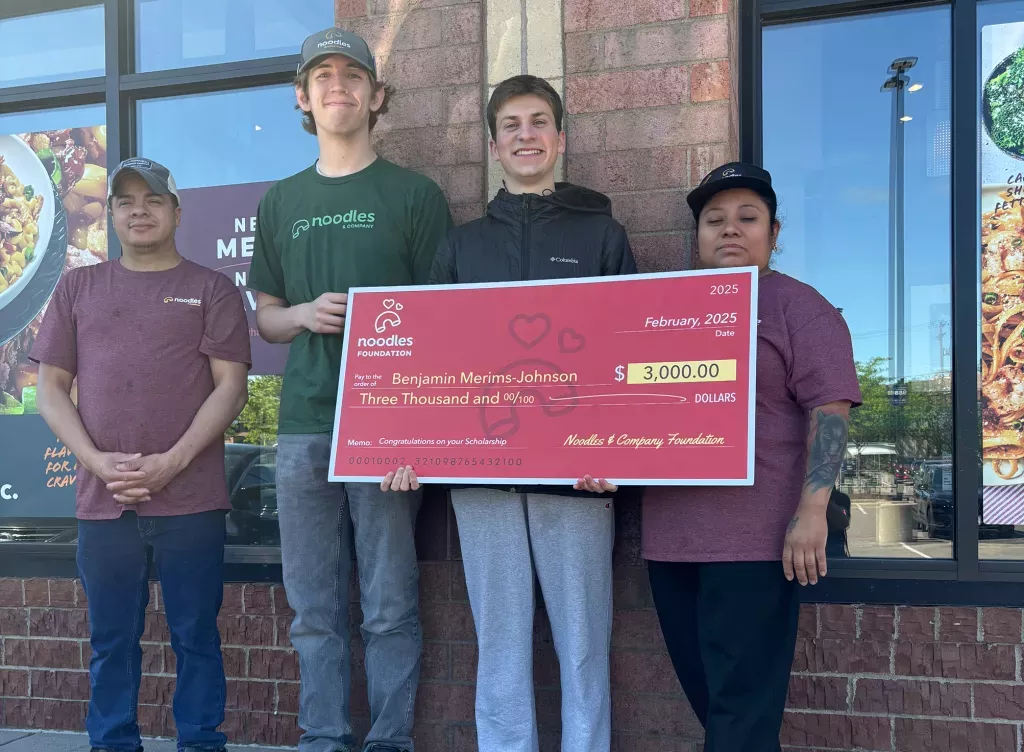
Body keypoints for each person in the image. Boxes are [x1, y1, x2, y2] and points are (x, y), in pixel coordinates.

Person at [383, 74, 636, 752]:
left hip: (580, 480)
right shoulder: (461, 247)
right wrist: (403, 447)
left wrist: (619, 456)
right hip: (483, 477)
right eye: (511, 125)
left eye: (538, 122)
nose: (526, 135)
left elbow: (625, 353)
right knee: (499, 643)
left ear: (560, 137)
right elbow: (427, 361)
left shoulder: (603, 235)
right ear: (494, 144)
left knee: (584, 643)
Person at [246, 27, 453, 752]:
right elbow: (266, 319)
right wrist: (300, 314)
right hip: (303, 427)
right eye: (323, 76)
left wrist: (417, 431)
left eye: (353, 75)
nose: (339, 86)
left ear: (375, 94)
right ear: (303, 98)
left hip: (387, 432)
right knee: (312, 609)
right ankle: (323, 738)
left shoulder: (415, 196)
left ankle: (390, 740)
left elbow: (444, 323)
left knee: (390, 604)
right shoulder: (281, 201)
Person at [31, 157, 251, 752]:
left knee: (197, 637)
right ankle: (112, 743)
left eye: (152, 200)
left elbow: (231, 387)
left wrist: (172, 462)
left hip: (192, 501)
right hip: (104, 502)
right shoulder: (77, 287)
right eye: (125, 201)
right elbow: (50, 391)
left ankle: (202, 743)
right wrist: (98, 463)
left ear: (177, 213)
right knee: (111, 640)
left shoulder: (212, 289)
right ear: (111, 217)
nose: (139, 210)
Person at [642, 162, 862, 752]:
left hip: (755, 544)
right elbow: (630, 406)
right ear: (698, 236)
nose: (730, 230)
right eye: (715, 220)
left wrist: (812, 510)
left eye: (747, 218)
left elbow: (831, 409)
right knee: (716, 706)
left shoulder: (798, 307)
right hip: (670, 540)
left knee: (740, 714)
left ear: (773, 231)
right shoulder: (660, 306)